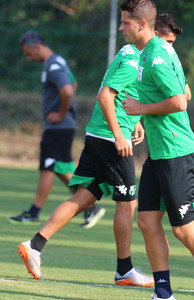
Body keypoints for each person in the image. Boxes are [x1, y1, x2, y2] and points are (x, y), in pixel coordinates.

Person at [119, 1, 194, 299]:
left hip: (177, 151)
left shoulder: (157, 55)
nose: (121, 28)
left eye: (125, 22)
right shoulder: (147, 53)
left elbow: (179, 101)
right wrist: (141, 117)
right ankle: (163, 293)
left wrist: (139, 109)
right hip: (160, 152)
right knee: (147, 221)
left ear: (142, 25)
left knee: (184, 230)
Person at [16, 34, 154, 287]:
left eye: (125, 23)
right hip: (111, 137)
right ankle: (124, 270)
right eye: (122, 22)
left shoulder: (126, 52)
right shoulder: (136, 59)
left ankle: (34, 245)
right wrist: (119, 134)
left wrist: (136, 120)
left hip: (97, 134)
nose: (122, 28)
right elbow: (106, 96)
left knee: (84, 198)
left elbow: (123, 91)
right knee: (127, 203)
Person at [11, 31, 105, 228]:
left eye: (29, 53)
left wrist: (62, 113)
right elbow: (74, 83)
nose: (29, 58)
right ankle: (90, 207)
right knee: (62, 169)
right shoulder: (59, 61)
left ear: (37, 47)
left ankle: (34, 212)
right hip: (63, 127)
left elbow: (67, 90)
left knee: (47, 168)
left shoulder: (53, 66)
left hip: (58, 126)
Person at [154, 12, 192, 101]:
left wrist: (143, 106)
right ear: (155, 35)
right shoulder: (139, 56)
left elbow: (187, 94)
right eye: (168, 42)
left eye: (172, 42)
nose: (171, 47)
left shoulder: (166, 60)